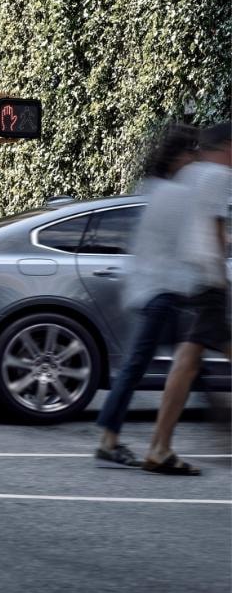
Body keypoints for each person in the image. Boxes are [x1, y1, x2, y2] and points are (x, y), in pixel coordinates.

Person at [93, 123, 196, 466]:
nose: (195, 161)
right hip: (165, 292)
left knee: (168, 364)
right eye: (192, 154)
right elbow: (188, 244)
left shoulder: (151, 189)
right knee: (161, 364)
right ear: (180, 157)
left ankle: (118, 439)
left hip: (151, 289)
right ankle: (115, 440)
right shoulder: (179, 194)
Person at [141, 121, 232, 476]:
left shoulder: (189, 175)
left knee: (185, 364)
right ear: (226, 146)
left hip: (188, 278)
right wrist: (220, 275)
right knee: (189, 362)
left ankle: (159, 447)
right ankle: (159, 446)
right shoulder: (218, 176)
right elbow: (214, 230)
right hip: (207, 280)